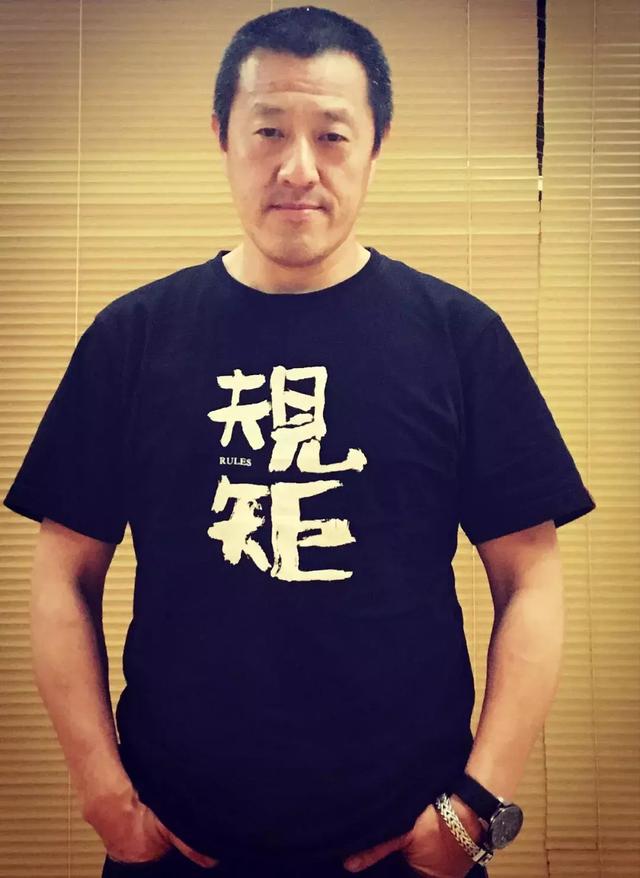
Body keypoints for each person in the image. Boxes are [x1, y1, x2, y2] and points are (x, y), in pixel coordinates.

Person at [3, 6, 596, 878]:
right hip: (176, 843)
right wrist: (105, 799)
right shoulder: (133, 337)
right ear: (222, 135)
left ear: (377, 145)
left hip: (408, 845)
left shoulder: (459, 337)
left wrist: (476, 808)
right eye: (269, 130)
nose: (298, 169)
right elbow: (64, 574)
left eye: (333, 136)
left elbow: (530, 577)